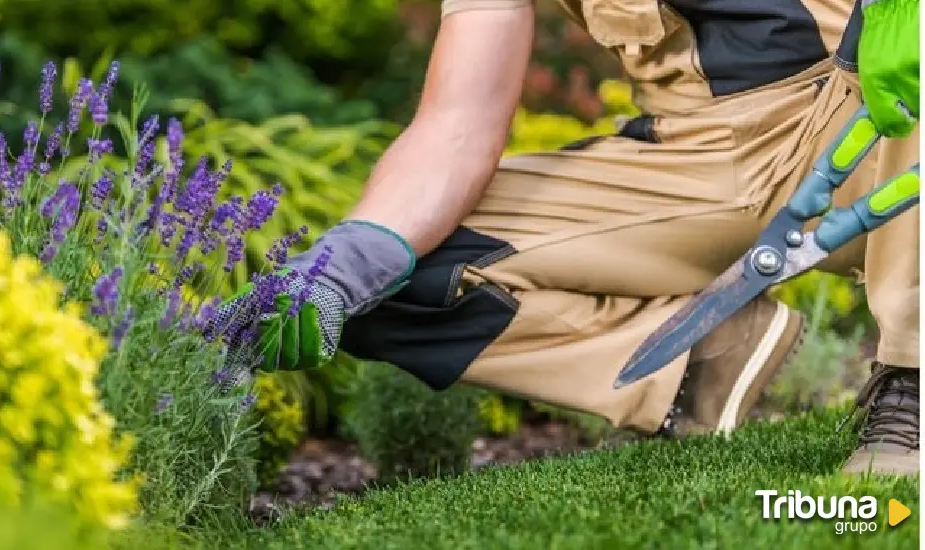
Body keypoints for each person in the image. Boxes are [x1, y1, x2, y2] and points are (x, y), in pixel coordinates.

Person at [209, 0, 919, 474]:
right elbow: (456, 125)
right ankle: (699, 363)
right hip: (699, 156)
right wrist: (346, 265)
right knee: (404, 278)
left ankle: (911, 386)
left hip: (862, 106)